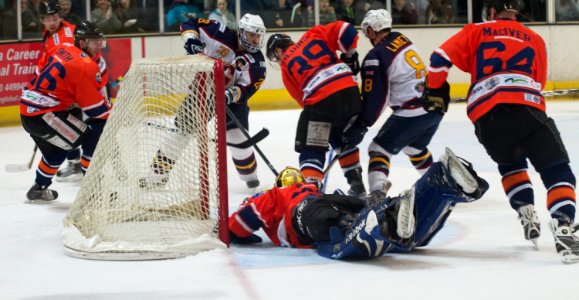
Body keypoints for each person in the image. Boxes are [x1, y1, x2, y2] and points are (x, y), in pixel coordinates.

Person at [425, 0, 579, 263]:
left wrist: (435, 90)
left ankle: (525, 211)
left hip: (484, 116)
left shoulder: (476, 30)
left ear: (491, 12)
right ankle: (563, 225)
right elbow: (538, 82)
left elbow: (438, 60)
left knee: (511, 164)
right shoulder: (535, 38)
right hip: (525, 107)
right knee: (556, 169)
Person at [229, 147, 489, 259]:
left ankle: (370, 221)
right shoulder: (313, 189)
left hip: (305, 215)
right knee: (410, 239)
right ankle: (440, 180)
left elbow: (237, 226)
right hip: (338, 201)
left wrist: (245, 236)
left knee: (334, 223)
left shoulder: (272, 197)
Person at [140, 14, 267, 189]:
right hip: (202, 92)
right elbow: (190, 23)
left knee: (238, 140)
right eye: (251, 35)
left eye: (258, 36)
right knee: (180, 134)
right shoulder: (219, 32)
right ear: (241, 32)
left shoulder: (257, 63)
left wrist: (229, 95)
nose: (254, 40)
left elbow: (247, 89)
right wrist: (192, 40)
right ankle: (156, 176)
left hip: (232, 101)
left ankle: (249, 176)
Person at [266, 21, 367, 197]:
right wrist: (350, 55)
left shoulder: (286, 64)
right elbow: (346, 30)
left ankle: (309, 193)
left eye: (275, 57)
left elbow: (304, 101)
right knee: (340, 138)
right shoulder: (313, 34)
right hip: (351, 92)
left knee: (311, 145)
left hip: (322, 99)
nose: (278, 60)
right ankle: (357, 184)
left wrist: (321, 124)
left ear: (278, 51)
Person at [354, 9, 445, 197]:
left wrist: (362, 123)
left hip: (413, 111)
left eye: (366, 31)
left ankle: (377, 193)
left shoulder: (375, 56)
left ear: (372, 30)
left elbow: (377, 98)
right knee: (413, 147)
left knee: (378, 149)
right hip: (435, 106)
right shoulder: (402, 39)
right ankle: (439, 183)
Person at [19, 20, 111, 202]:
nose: (99, 45)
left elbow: (48, 76)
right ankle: (93, 192)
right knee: (93, 133)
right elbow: (96, 112)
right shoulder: (86, 65)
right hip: (45, 114)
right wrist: (116, 114)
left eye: (99, 40)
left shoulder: (64, 47)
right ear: (82, 42)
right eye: (94, 41)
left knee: (57, 153)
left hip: (27, 110)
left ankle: (38, 189)